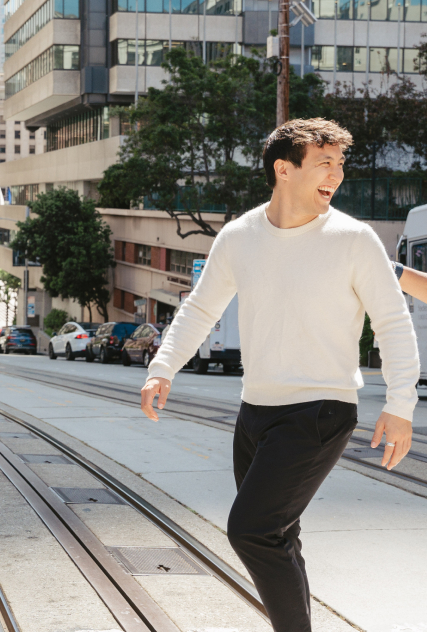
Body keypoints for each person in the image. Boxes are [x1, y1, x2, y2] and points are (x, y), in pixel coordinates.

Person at [139, 118, 418, 632]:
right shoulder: (240, 236)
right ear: (283, 169)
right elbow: (200, 309)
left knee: (252, 531)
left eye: (340, 163)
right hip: (255, 411)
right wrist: (163, 368)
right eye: (324, 163)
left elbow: (393, 323)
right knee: (279, 536)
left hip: (320, 411)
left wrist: (400, 407)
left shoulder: (354, 239)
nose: (336, 174)